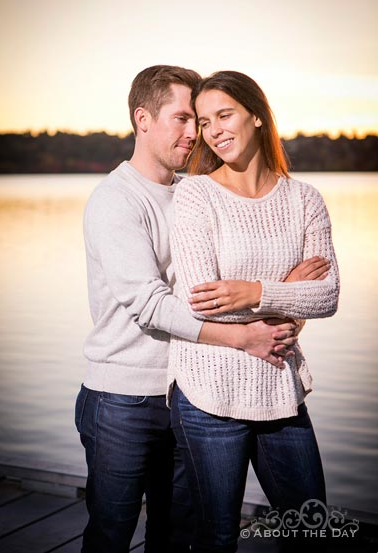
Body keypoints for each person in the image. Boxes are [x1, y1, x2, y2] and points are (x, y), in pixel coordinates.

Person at [74, 65, 305, 553]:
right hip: (123, 399)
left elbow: (236, 275)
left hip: (188, 393)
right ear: (142, 118)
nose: (194, 133)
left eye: (197, 121)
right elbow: (150, 303)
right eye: (182, 119)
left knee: (176, 536)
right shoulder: (116, 200)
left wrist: (286, 292)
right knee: (111, 535)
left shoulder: (195, 193)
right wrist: (244, 337)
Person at [168, 70, 340, 552]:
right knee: (216, 540)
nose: (214, 130)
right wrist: (283, 289)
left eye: (225, 115)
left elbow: (327, 296)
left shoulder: (305, 199)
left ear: (258, 116)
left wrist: (250, 293)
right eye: (204, 121)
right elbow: (202, 303)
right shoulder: (196, 194)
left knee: (311, 532)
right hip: (208, 396)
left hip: (281, 391)